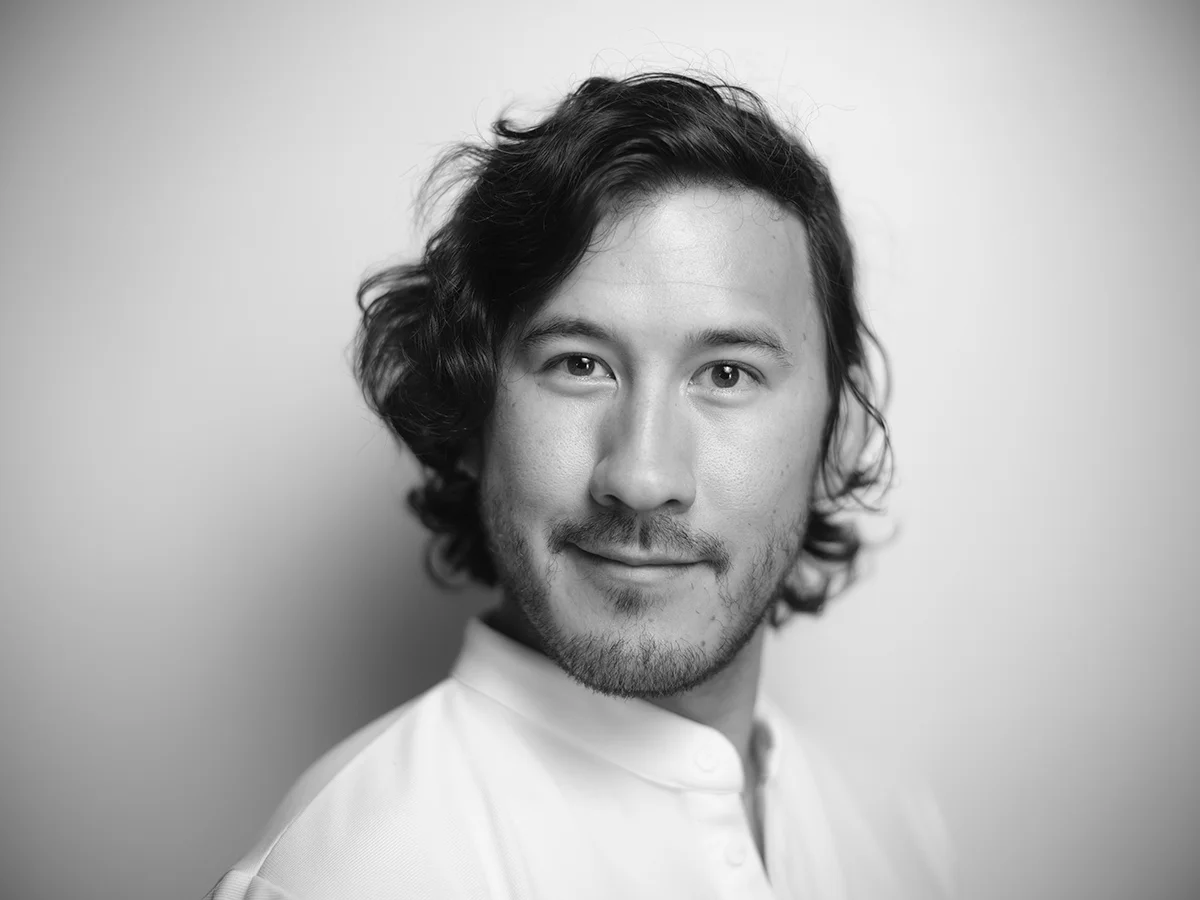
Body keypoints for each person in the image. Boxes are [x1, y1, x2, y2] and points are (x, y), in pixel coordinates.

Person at [205, 71, 952, 900]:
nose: (641, 477)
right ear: (472, 413)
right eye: (579, 364)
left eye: (727, 373)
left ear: (839, 432)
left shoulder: (900, 835)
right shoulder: (347, 874)